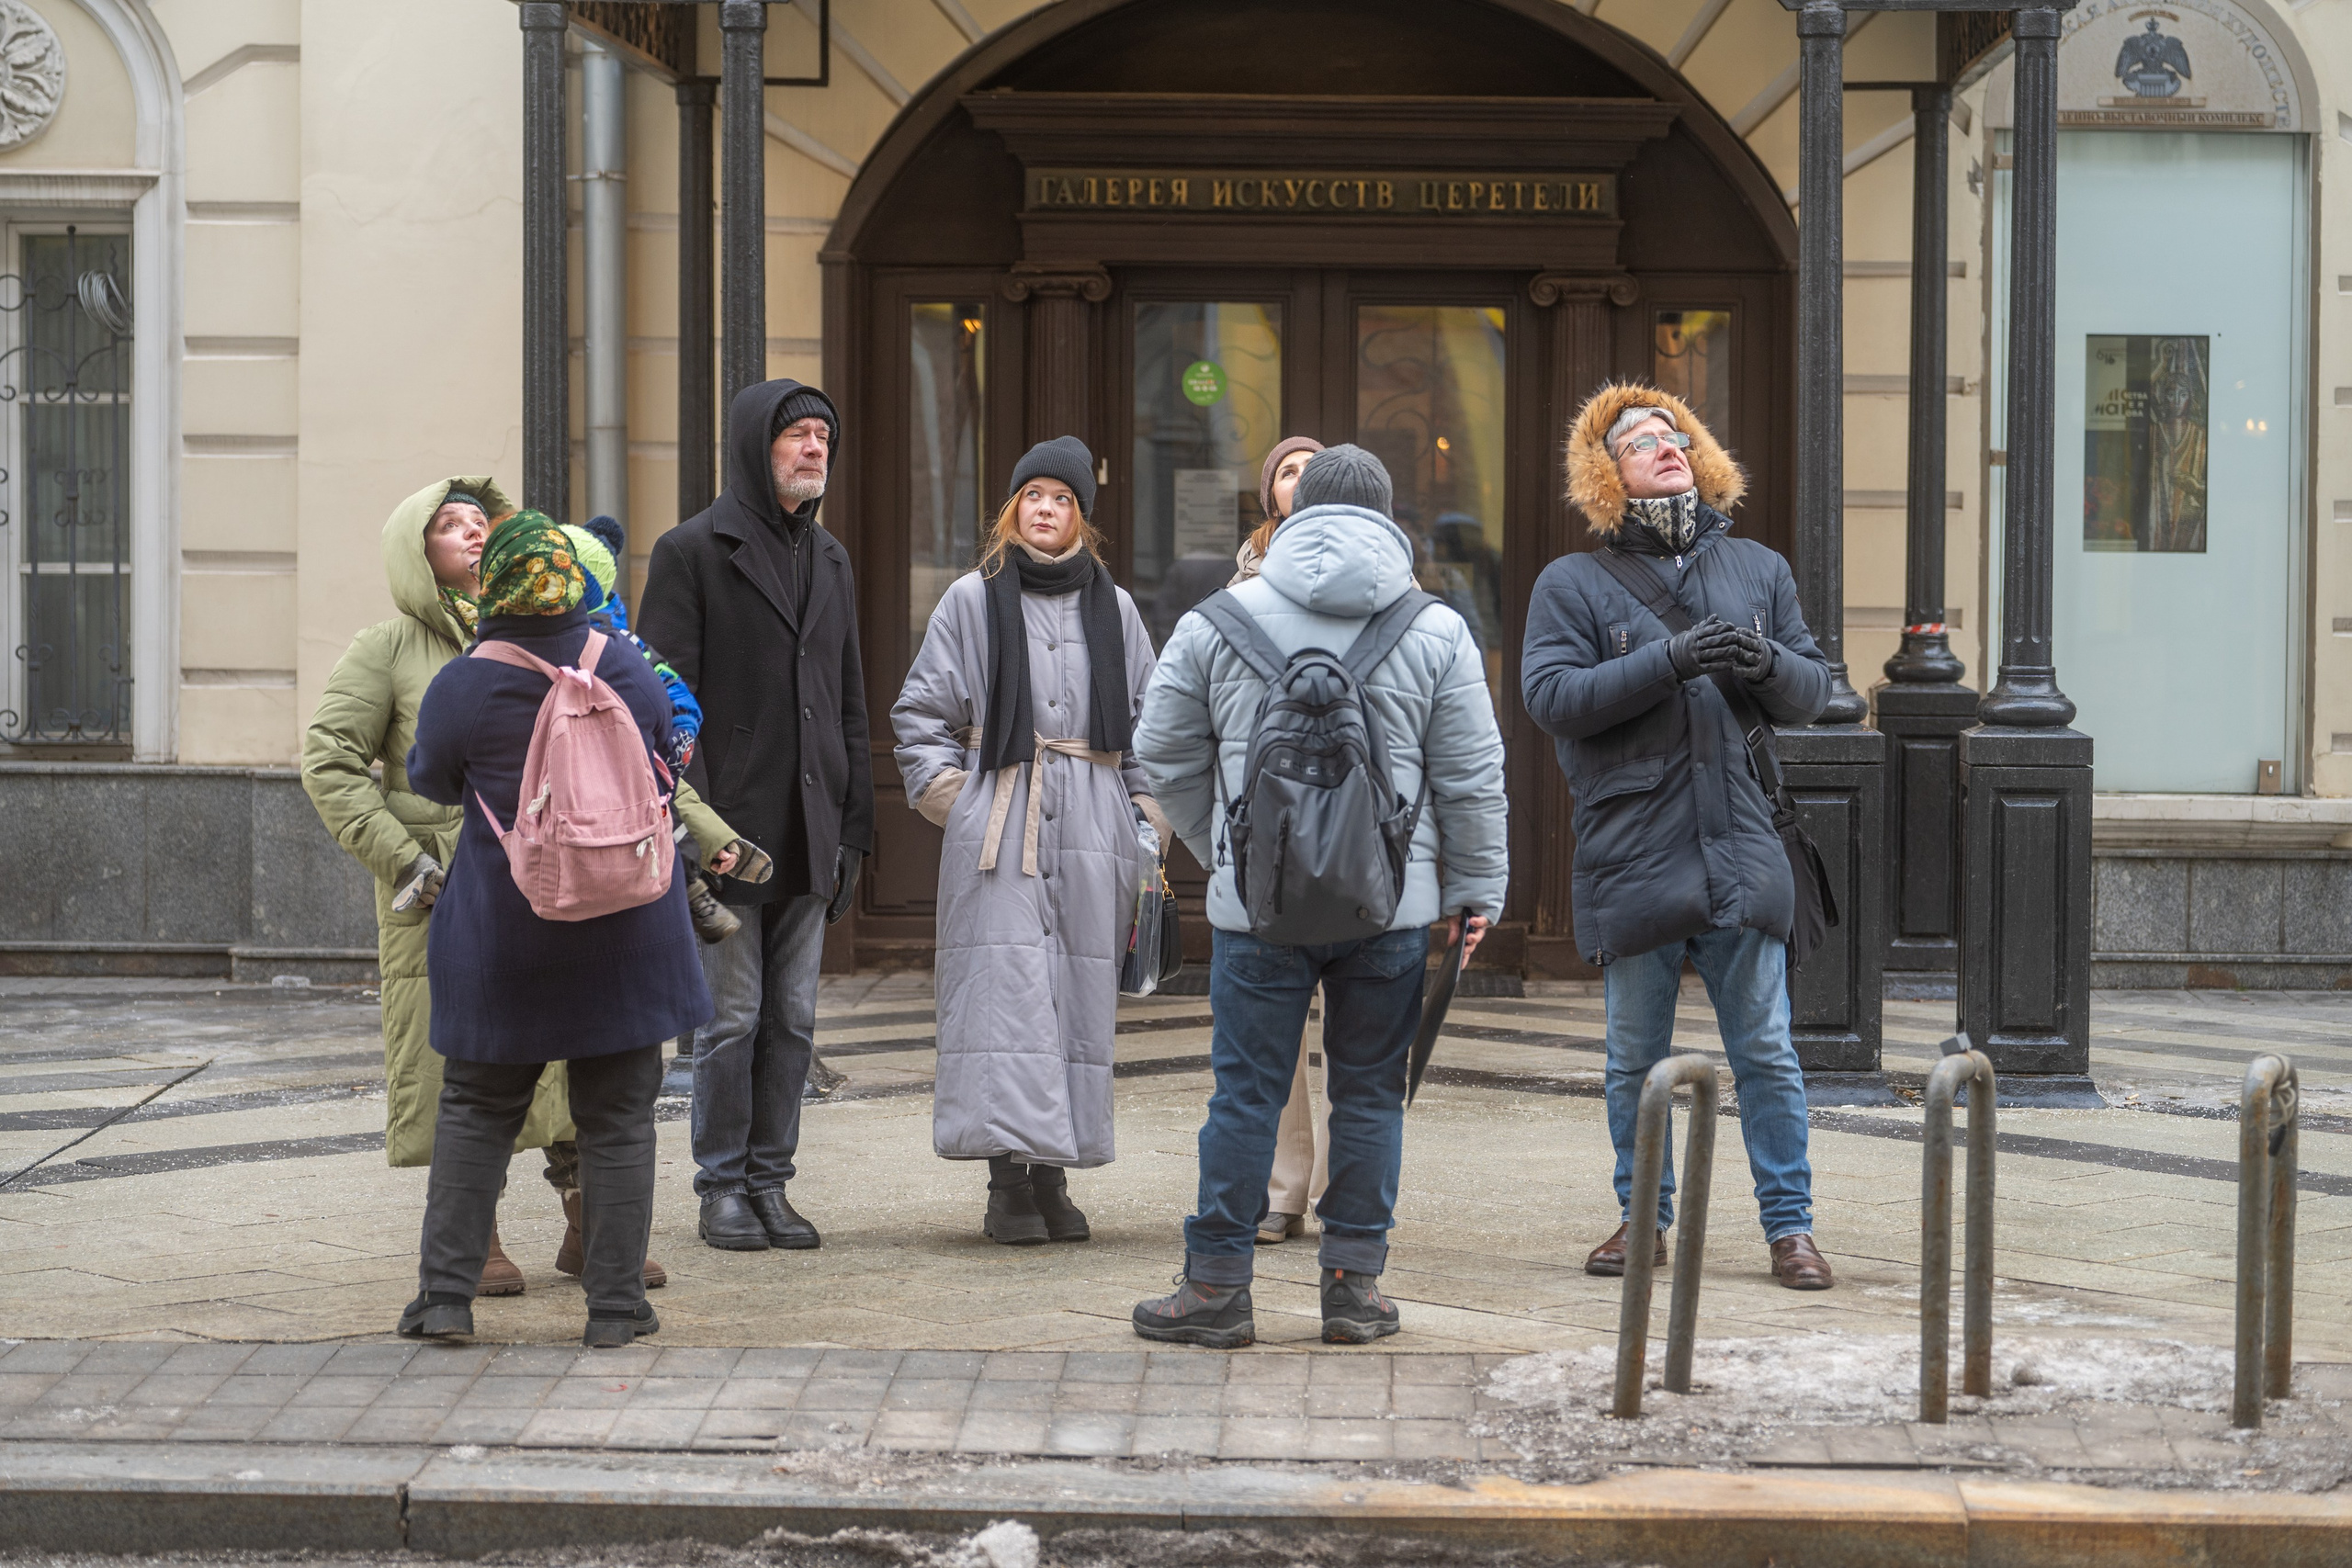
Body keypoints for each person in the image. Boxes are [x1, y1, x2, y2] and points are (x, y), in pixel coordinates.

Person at [1130, 445, 1509, 1346]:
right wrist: (1474, 890)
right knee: (1370, 1096)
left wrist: (1226, 841)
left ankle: (1217, 1288)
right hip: (1391, 908)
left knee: (1244, 1097)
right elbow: (1471, 778)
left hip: (1255, 910)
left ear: (1296, 514)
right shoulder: (1435, 627)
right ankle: (1353, 1290)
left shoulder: (1218, 619)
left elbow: (1159, 749)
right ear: (1387, 516)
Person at [1518, 382, 1837, 1292]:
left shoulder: (1760, 570)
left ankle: (1790, 1229)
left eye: (1674, 435)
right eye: (1638, 441)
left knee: (1766, 1052)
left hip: (1742, 842)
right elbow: (1551, 701)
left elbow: (1815, 693)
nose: (1663, 446)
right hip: (1633, 847)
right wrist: (1669, 658)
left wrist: (1767, 662)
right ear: (1604, 472)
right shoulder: (1570, 584)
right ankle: (1640, 1220)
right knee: (1632, 1059)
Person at [398, 513, 711, 1348]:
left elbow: (429, 783)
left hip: (509, 930)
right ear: (572, 582)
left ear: (495, 588)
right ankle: (615, 1306)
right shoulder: (625, 664)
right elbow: (665, 751)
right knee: (617, 1117)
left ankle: (446, 1299)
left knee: (477, 1104)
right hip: (627, 929)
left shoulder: (466, 681)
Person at [303, 479, 585, 1294]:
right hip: (444, 889)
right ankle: (480, 1236)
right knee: (465, 1057)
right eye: (448, 524)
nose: (469, 532)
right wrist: (405, 857)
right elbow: (329, 761)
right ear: (414, 551)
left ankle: (588, 1217)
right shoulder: (386, 649)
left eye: (479, 521)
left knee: (575, 1045)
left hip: (552, 878)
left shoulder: (552, 632)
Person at [892, 437, 1170, 1246]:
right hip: (1001, 818)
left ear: (1082, 513)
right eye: (1032, 495)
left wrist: (1145, 819)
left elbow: (1155, 718)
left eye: (1062, 498)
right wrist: (963, 802)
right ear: (1012, 508)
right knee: (1002, 998)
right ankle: (1005, 1182)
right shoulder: (970, 600)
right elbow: (919, 717)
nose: (1045, 509)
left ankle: (1054, 1174)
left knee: (1073, 1002)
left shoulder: (1114, 607)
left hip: (1092, 821)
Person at [637, 378, 876, 1254]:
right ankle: (722, 1186)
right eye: (797, 436)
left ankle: (773, 1180)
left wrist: (856, 823)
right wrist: (697, 831)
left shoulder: (833, 559)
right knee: (730, 1018)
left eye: (823, 436)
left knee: (796, 1020)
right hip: (731, 829)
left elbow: (847, 695)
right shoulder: (691, 550)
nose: (814, 448)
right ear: (754, 447)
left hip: (812, 824)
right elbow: (664, 703)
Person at [1228, 435, 1329, 1247]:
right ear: (1270, 496)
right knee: (1276, 1030)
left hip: (1357, 826)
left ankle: (1349, 1190)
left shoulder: (1386, 580)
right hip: (1267, 828)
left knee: (1358, 1025)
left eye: (1315, 466)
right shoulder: (1239, 590)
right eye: (1287, 469)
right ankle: (1281, 1188)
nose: (1301, 479)